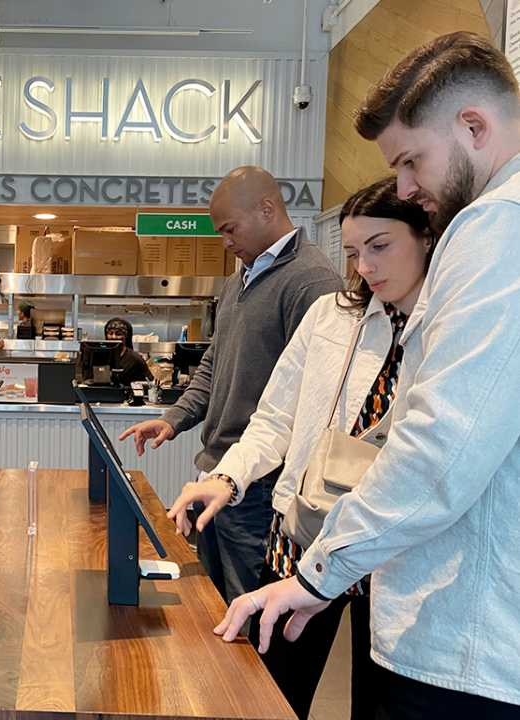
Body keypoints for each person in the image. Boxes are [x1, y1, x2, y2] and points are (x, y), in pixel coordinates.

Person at [215, 32, 520, 720]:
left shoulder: (496, 228)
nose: (407, 187)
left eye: (412, 160)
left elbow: (442, 447)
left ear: (474, 127)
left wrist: (319, 572)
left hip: (461, 642)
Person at [167, 177, 433, 720]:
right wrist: (228, 475)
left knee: (378, 701)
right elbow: (276, 415)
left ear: (428, 238)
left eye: (380, 247)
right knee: (269, 689)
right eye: (355, 252)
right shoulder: (332, 315)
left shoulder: (449, 329)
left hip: (391, 554)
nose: (365, 267)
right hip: (307, 532)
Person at [119, 167, 343, 603]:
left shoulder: (311, 282)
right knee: (211, 604)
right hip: (215, 474)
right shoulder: (236, 280)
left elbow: (314, 403)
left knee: (248, 615)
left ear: (267, 210)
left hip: (258, 489)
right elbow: (213, 365)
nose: (225, 242)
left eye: (229, 229)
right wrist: (173, 420)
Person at [104, 317, 153, 386]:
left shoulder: (135, 360)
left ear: (126, 336)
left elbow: (148, 385)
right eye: (110, 333)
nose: (114, 337)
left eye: (118, 334)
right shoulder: (99, 356)